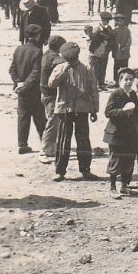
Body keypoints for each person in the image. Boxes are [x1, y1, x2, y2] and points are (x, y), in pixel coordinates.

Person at [48, 41, 99, 182]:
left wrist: (95, 109)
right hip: (65, 109)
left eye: (73, 59)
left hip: (82, 109)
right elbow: (51, 84)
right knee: (64, 141)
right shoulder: (60, 68)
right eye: (69, 59)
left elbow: (93, 90)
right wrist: (63, 72)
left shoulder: (87, 69)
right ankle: (60, 171)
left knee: (83, 140)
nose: (72, 61)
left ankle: (85, 170)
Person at [103, 68, 138, 197]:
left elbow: (136, 114)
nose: (128, 82)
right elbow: (108, 112)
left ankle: (124, 186)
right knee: (116, 160)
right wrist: (122, 111)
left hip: (130, 134)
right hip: (117, 133)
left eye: (131, 79)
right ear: (120, 80)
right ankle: (112, 187)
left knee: (129, 160)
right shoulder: (116, 94)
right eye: (126, 79)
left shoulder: (132, 94)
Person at [8, 24, 45, 154]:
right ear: (38, 35)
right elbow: (36, 73)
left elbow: (12, 69)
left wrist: (18, 83)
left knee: (23, 117)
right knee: (39, 117)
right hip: (33, 91)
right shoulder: (38, 51)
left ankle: (22, 144)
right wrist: (26, 85)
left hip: (21, 91)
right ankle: (44, 143)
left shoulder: (19, 49)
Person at [86, 11, 115, 89]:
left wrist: (107, 49)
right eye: (105, 20)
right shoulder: (96, 29)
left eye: (108, 21)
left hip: (104, 52)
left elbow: (112, 39)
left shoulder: (109, 28)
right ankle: (94, 85)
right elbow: (92, 42)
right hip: (95, 52)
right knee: (95, 69)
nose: (106, 22)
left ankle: (101, 83)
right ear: (101, 20)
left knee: (103, 68)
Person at [110, 14, 133, 82]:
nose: (120, 22)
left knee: (124, 67)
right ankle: (116, 80)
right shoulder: (114, 30)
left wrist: (126, 46)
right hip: (117, 52)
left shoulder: (127, 30)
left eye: (121, 21)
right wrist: (114, 46)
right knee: (116, 67)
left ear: (124, 21)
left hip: (125, 52)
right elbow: (112, 40)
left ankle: (124, 80)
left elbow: (129, 40)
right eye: (118, 21)